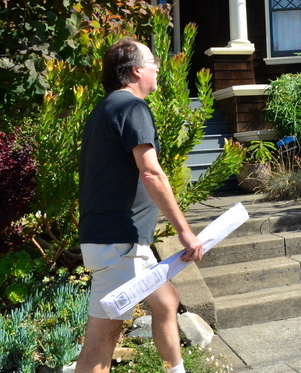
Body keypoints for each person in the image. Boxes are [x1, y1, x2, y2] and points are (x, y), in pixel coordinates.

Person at [75, 38, 204, 373]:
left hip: (121, 242)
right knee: (101, 345)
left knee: (166, 300)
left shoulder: (106, 108)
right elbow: (151, 174)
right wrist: (185, 232)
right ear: (135, 70)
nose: (158, 67)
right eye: (152, 61)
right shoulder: (132, 108)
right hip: (118, 244)